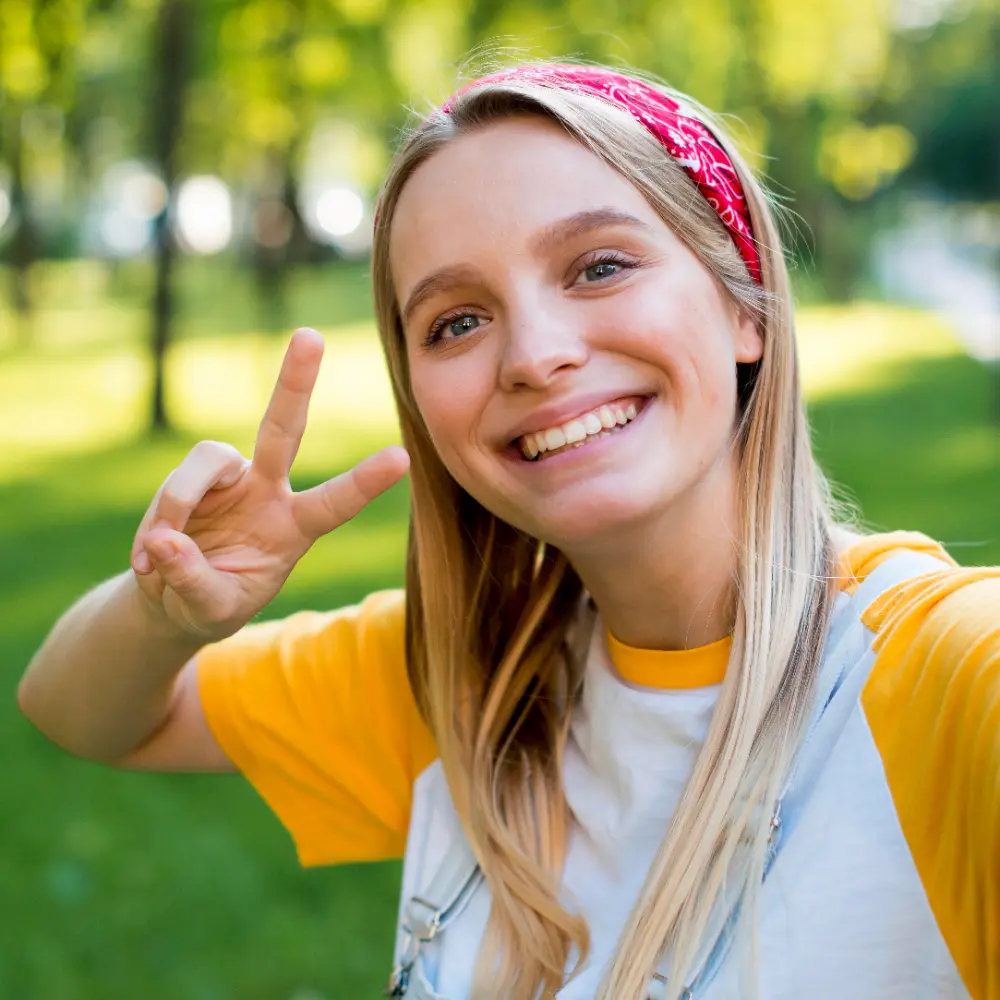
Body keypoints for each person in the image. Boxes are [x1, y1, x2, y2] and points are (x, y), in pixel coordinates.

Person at [17, 62, 999, 1000]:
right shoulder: (468, 678)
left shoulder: (942, 676)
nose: (532, 356)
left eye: (599, 266)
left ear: (746, 306)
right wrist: (166, 611)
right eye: (454, 322)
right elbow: (84, 710)